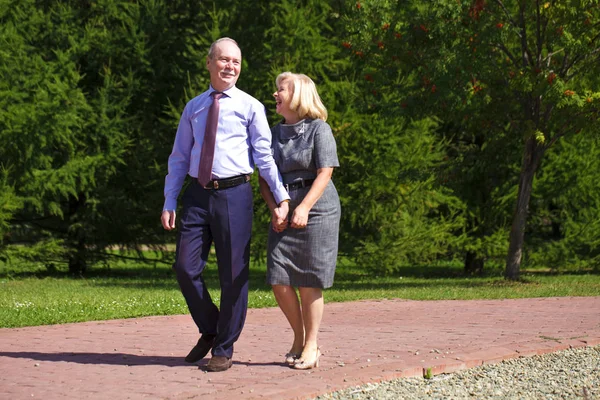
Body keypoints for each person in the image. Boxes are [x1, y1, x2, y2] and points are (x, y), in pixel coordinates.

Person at [161, 38, 290, 372]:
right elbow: (178, 156)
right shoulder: (194, 107)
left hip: (234, 194)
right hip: (197, 195)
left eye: (236, 61)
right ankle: (211, 328)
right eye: (224, 60)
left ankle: (224, 347)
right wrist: (170, 198)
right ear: (209, 63)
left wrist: (282, 197)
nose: (230, 66)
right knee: (185, 268)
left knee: (233, 275)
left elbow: (264, 157)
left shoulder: (250, 107)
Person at [258, 72, 341, 370]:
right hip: (285, 205)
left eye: (280, 90)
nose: (275, 95)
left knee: (309, 279)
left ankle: (311, 344)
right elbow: (266, 178)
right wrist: (275, 208)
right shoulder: (272, 133)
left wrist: (304, 207)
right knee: (279, 278)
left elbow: (325, 172)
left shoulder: (319, 129)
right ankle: (298, 336)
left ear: (298, 95)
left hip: (318, 207)